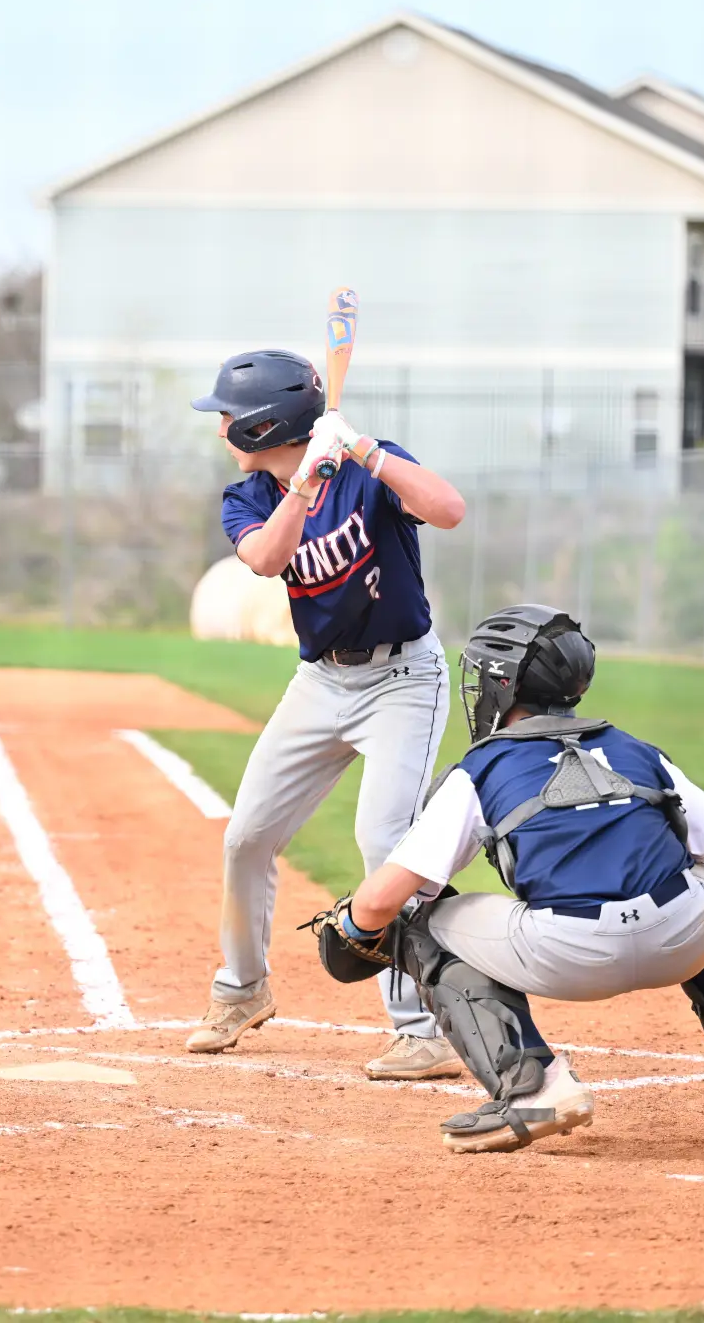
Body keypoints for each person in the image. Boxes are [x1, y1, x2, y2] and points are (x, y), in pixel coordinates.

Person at [312, 605, 704, 1154]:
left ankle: (534, 1086)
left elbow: (386, 898)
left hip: (568, 955)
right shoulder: (635, 751)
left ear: (501, 689)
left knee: (421, 919)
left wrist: (350, 928)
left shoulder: (480, 769)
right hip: (681, 939)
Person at [183, 348, 469, 1080]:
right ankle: (242, 988)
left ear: (261, 425)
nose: (220, 430)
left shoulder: (367, 468)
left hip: (404, 677)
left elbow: (449, 510)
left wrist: (365, 451)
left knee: (385, 841)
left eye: (228, 417)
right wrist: (306, 484)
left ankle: (420, 1029)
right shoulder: (246, 496)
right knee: (246, 836)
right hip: (321, 683)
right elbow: (267, 560)